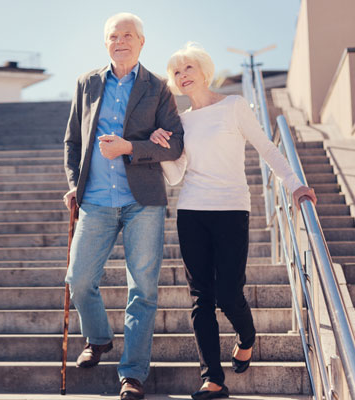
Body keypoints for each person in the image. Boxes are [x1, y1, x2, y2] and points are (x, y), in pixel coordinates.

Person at [149, 43, 317, 400]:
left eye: (189, 67)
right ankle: (212, 378)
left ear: (205, 70)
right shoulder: (178, 121)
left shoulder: (233, 106)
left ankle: (247, 335)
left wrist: (294, 184)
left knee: (228, 292)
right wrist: (163, 149)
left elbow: (267, 148)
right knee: (201, 298)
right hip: (191, 212)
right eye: (177, 72)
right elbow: (177, 176)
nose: (183, 75)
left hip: (231, 209)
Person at [63, 12, 184, 400]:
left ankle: (132, 374)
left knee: (143, 289)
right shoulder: (87, 83)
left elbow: (176, 143)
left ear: (142, 42)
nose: (121, 41)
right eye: (114, 36)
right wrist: (73, 186)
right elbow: (72, 143)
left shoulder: (158, 87)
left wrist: (132, 147)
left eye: (128, 35)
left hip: (142, 201)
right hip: (95, 201)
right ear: (106, 43)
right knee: (78, 281)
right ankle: (98, 338)